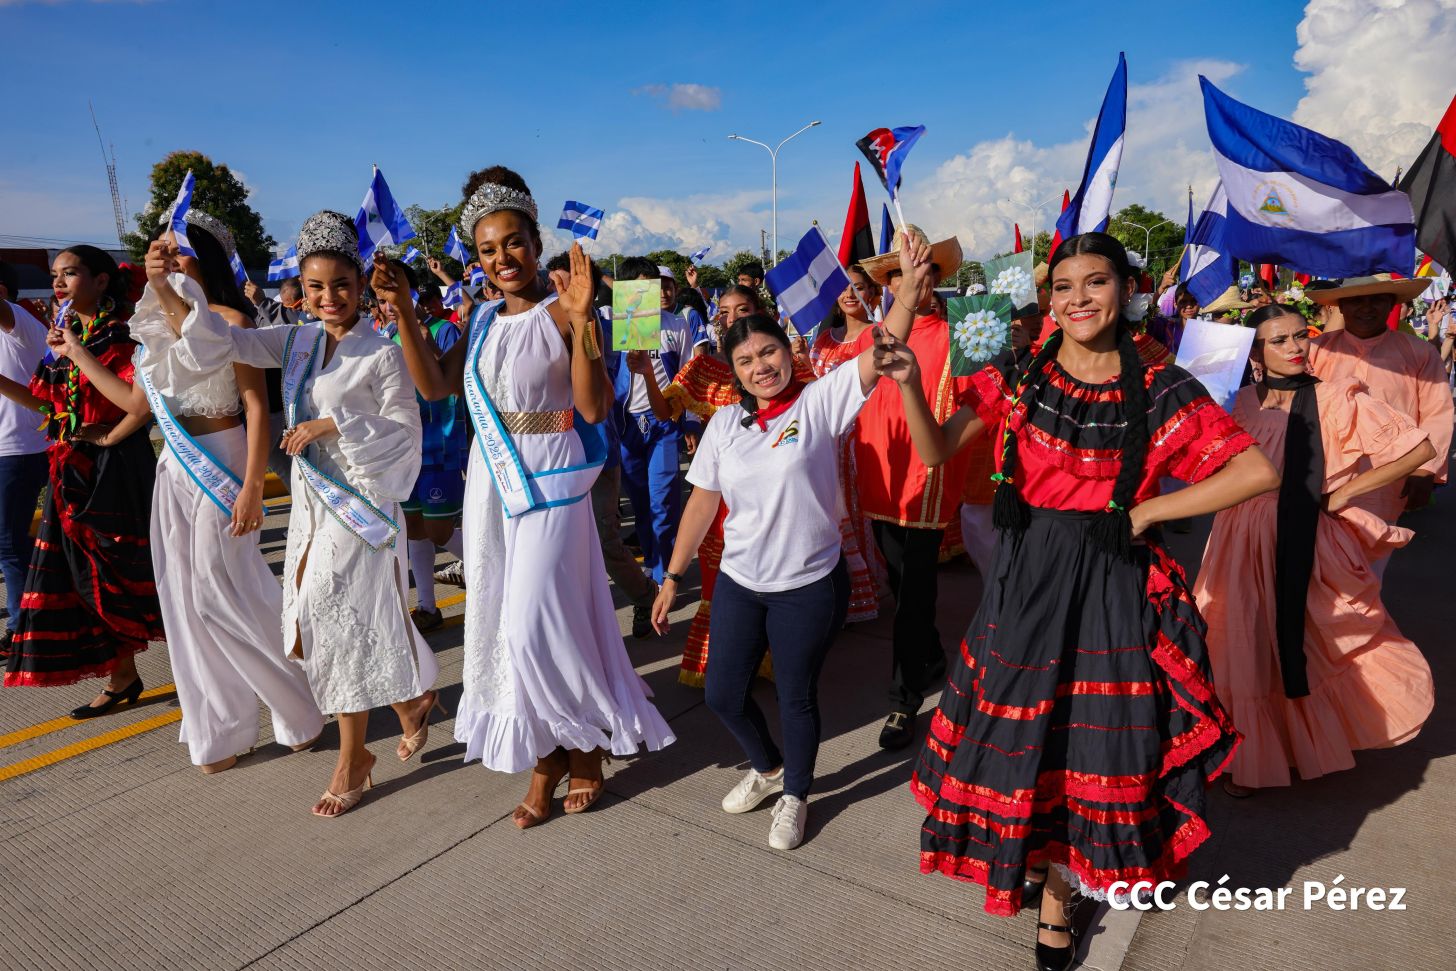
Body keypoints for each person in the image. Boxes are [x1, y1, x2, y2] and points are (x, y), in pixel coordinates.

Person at [877, 232, 1278, 970]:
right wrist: (906, 377)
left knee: (1088, 745)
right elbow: (936, 452)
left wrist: (1150, 514)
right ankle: (1036, 859)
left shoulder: (1159, 385)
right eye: (1064, 286)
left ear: (1126, 291)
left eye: (1096, 283)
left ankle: (1060, 899)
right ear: (1047, 299)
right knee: (1026, 743)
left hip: (1110, 588)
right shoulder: (1020, 373)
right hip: (1025, 585)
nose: (1078, 299)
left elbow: (1254, 471)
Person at [391, 166, 673, 828]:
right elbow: (436, 388)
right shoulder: (483, 317)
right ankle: (567, 750)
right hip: (493, 485)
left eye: (513, 242)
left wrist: (581, 326)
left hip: (551, 480)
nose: (502, 258)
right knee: (513, 622)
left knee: (530, 624)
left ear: (534, 238)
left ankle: (562, 757)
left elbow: (593, 404)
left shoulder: (563, 308)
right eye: (488, 249)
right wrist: (404, 311)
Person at [649, 241, 933, 850]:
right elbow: (702, 503)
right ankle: (768, 766)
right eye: (746, 359)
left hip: (808, 587)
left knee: (797, 696)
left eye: (769, 351)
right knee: (724, 693)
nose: (761, 366)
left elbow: (883, 347)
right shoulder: (724, 424)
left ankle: (797, 795)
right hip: (740, 582)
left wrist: (906, 288)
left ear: (786, 350)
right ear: (733, 368)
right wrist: (672, 577)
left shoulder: (819, 402)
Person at [176, 210, 442, 816]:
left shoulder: (381, 353)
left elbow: (406, 431)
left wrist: (333, 424)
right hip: (313, 507)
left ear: (360, 282)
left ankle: (354, 759)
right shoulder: (295, 341)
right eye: (316, 287)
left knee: (329, 615)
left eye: (341, 285)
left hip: (363, 505)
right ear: (301, 285)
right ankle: (408, 701)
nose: (328, 298)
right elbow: (227, 343)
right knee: (335, 620)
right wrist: (177, 287)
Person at [53, 214, 326, 771]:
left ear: (205, 259)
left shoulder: (229, 320)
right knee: (184, 598)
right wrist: (77, 354)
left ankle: (301, 703)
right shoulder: (152, 328)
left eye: (178, 254)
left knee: (222, 590)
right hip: (175, 466)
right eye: (161, 255)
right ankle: (220, 727)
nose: (169, 263)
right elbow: (137, 405)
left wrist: (253, 487)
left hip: (225, 460)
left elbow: (255, 409)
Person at [1195, 304, 1435, 795]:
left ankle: (1301, 745)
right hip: (1239, 533)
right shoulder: (1236, 400)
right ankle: (1254, 755)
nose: (1295, 347)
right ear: (1256, 352)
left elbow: (1418, 449)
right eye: (1279, 340)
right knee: (1244, 645)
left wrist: (1345, 492)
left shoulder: (1335, 395)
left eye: (1299, 336)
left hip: (1305, 533)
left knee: (1309, 640)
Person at [0, 246, 165, 715]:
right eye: (55, 274)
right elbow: (52, 409)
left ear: (101, 282)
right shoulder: (69, 335)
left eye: (69, 273)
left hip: (115, 466)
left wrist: (74, 351)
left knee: (132, 575)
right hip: (71, 467)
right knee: (80, 580)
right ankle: (123, 676)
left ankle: (212, 665)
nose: (58, 283)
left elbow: (136, 402)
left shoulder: (121, 334)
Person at [632, 284, 813, 685]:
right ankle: (730, 663)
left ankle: (779, 659)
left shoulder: (781, 365)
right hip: (719, 493)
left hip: (776, 491)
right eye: (725, 313)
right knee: (722, 581)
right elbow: (666, 412)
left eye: (742, 310)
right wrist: (646, 374)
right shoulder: (702, 367)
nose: (732, 319)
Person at [849, 227, 971, 750]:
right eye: (900, 276)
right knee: (903, 589)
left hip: (925, 481)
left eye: (920, 275)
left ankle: (904, 701)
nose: (911, 285)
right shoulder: (870, 338)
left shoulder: (961, 335)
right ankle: (934, 652)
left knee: (913, 595)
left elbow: (970, 407)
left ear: (935, 280)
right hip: (878, 480)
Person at [545, 251, 658, 637]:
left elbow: (638, 305)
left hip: (597, 450)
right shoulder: (536, 326)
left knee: (605, 539)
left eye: (570, 281)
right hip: (551, 455)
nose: (560, 291)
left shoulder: (610, 323)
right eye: (554, 283)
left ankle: (645, 596)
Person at [1308, 276, 1452, 560]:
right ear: (1340, 306)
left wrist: (1425, 471)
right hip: (1323, 476)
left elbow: (1437, 413)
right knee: (1315, 563)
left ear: (1391, 305)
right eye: (1356, 300)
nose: (1366, 307)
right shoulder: (1315, 350)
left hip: (1386, 479)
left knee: (1368, 567)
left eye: (1376, 299)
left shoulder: (1419, 353)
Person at [377, 260, 468, 633]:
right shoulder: (382, 338)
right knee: (413, 526)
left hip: (438, 446)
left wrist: (429, 349)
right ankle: (428, 607)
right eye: (381, 299)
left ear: (413, 292)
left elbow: (451, 385)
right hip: (403, 450)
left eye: (394, 294)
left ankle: (496, 574)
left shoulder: (443, 330)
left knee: (440, 531)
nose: (388, 305)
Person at [614, 257, 702, 586]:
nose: (647, 294)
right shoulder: (609, 323)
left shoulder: (676, 325)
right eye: (638, 287)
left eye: (651, 287)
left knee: (663, 502)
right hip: (625, 426)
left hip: (663, 424)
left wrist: (691, 422)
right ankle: (652, 560)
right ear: (623, 290)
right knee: (641, 506)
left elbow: (687, 377)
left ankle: (664, 575)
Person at [807, 265, 886, 622]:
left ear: (872, 293)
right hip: (822, 440)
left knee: (855, 514)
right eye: (844, 288)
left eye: (858, 287)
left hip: (862, 440)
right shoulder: (823, 340)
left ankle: (859, 597)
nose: (850, 294)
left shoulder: (877, 337)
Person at [0, 269, 55, 654]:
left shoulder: (19, 323)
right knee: (10, 543)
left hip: (19, 452)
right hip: (8, 451)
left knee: (9, 544)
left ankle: (22, 630)